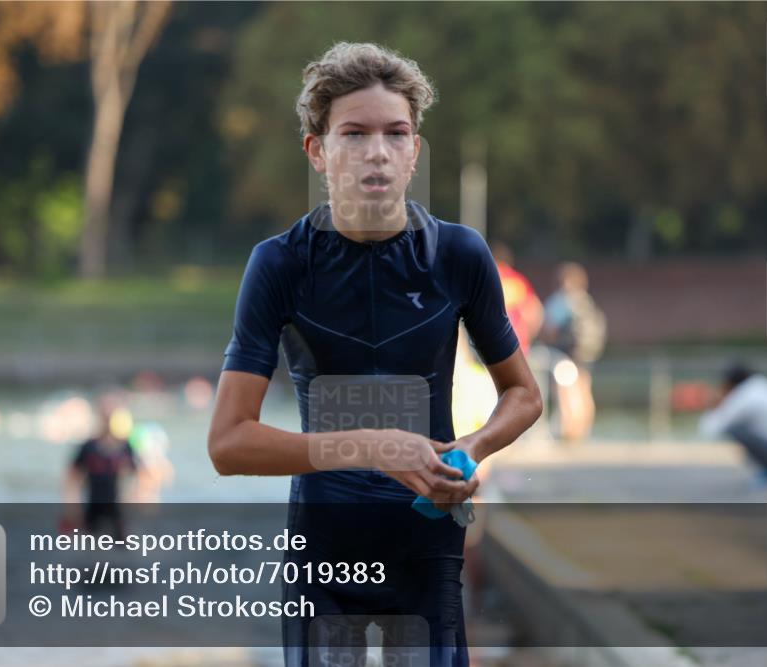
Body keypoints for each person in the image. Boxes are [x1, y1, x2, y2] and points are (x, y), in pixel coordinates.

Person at [207, 42, 542, 667]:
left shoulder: (459, 255)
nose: (377, 151)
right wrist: (375, 447)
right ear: (318, 152)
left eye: (396, 133)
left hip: (428, 541)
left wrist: (471, 451)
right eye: (354, 134)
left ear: (415, 151)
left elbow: (524, 395)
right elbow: (227, 444)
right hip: (324, 546)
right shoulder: (279, 264)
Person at [62, 392, 144, 540]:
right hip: (93, 507)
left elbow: (138, 476)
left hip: (118, 510)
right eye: (105, 413)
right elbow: (72, 478)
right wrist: (73, 507)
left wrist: (136, 499)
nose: (107, 418)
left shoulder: (125, 447)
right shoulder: (88, 447)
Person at [540, 262, 606, 442]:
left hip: (566, 354)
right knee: (584, 390)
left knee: (566, 391)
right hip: (587, 353)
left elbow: (550, 327)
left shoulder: (561, 301)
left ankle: (570, 432)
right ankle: (583, 430)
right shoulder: (586, 301)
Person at [491, 243, 543, 355]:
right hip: (517, 342)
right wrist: (529, 335)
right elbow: (535, 312)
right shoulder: (518, 281)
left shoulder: (486, 278)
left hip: (488, 341)